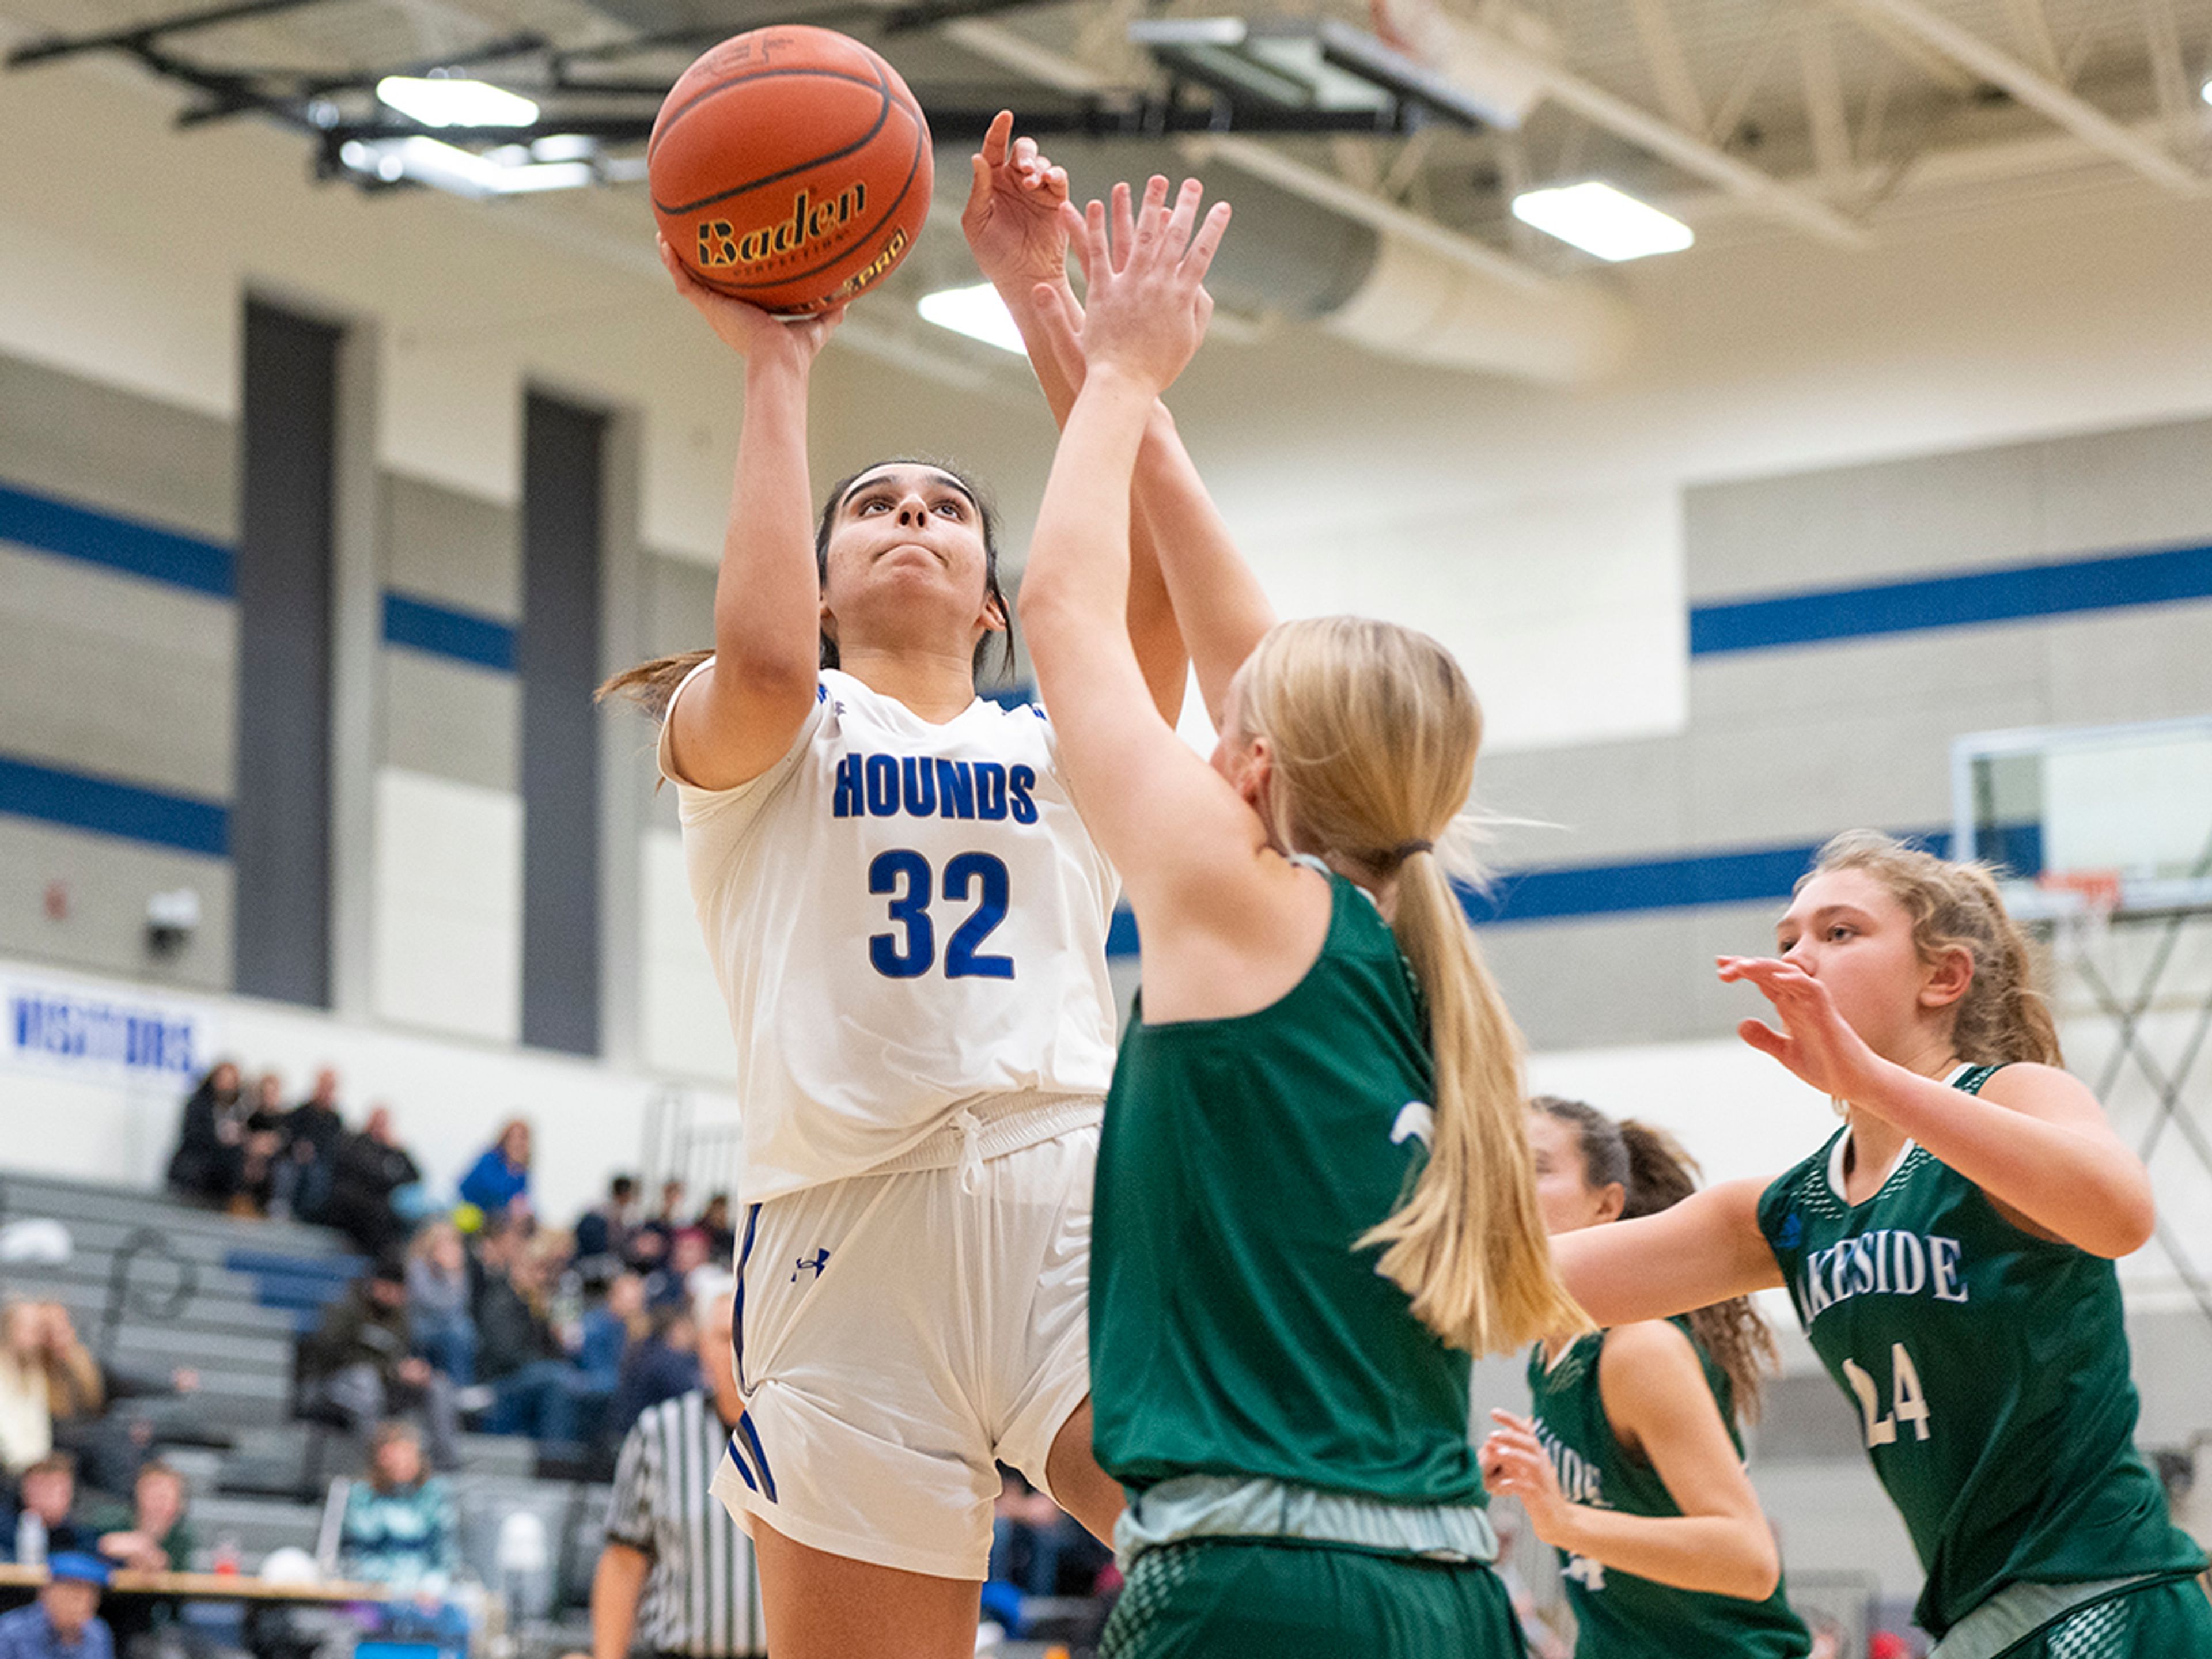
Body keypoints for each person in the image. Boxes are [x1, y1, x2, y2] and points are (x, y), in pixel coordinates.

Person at [593, 111, 1198, 1659]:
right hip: (841, 1239)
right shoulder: (762, 726)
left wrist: (1042, 298)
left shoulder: (1059, 745)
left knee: (1243, 1564)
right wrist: (778, 357)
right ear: (814, 578)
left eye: (946, 510)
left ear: (998, 602)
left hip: (1070, 1189)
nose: (913, 518)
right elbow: (770, 656)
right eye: (874, 508)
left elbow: (1148, 574)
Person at [1016, 175, 1584, 1656]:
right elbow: (1243, 646)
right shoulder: (1400, 934)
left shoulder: (1235, 894)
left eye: (1230, 730)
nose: (1207, 735)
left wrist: (1131, 366)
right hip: (1456, 1596)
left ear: (1259, 767)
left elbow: (1066, 611)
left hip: (1260, 1588)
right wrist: (1060, 321)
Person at [1549, 831, 2212, 1656]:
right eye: (1787, 938)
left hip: (2104, 1597)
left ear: (1944, 977)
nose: (1799, 957)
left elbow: (2121, 1215)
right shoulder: (1793, 1208)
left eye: (1839, 933)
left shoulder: (2014, 1096)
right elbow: (1509, 1284)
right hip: (1984, 1620)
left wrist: (1873, 1081)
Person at [1480, 1099, 1809, 1657]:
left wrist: (1565, 1521)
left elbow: (1747, 1560)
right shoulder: (1551, 1357)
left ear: (1607, 1204)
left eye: (1535, 1168)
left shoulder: (1639, 1347)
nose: (1507, 1185)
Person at [593, 1287, 766, 1659]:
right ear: (702, 1346)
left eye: (751, 1336)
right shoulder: (658, 1433)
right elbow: (624, 1560)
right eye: (725, 1337)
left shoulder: (804, 1437)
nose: (739, 1352)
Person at [297, 1259, 460, 1471]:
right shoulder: (346, 1306)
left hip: (384, 1384)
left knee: (438, 1385)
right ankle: (378, 1468)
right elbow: (330, 1355)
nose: (396, 1297)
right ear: (376, 1284)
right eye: (391, 1289)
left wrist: (411, 1370)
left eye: (401, 1292)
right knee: (364, 1380)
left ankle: (445, 1464)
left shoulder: (401, 1316)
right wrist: (391, 1371)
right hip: (334, 1384)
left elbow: (398, 1355)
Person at [0, 1305, 102, 1476]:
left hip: (33, 1465)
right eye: (30, 1330)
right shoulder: (5, 1370)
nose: (37, 1338)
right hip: (12, 1468)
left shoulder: (33, 1371)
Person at [324, 1106, 423, 1259]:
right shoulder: (355, 1142)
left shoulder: (391, 1150)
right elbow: (368, 1172)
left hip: (378, 1206)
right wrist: (389, 1178)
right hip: (352, 1202)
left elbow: (415, 1176)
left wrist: (400, 1150)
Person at [90, 1459, 196, 1573]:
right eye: (153, 1494)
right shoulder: (113, 1521)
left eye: (165, 1495)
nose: (159, 1503)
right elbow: (94, 1547)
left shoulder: (183, 1539)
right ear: (138, 1495)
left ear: (179, 1504)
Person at [0, 1552, 113, 1659]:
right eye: (72, 1592)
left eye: (91, 1595)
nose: (81, 1604)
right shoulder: (11, 1631)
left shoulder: (97, 1632)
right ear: (45, 1592)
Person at [407, 1222, 478, 1389]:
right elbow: (432, 1304)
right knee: (460, 1332)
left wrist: (455, 1274)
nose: (451, 1249)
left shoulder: (457, 1270)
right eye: (446, 1243)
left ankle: (462, 1389)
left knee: (465, 1329)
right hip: (423, 1329)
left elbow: (463, 1304)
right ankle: (461, 1389)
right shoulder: (417, 1267)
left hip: (449, 1327)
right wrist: (452, 1274)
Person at [164, 1061, 245, 1206]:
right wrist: (220, 1136)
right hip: (198, 1166)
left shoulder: (241, 1109)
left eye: (230, 1082)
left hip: (223, 1175)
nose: (226, 1086)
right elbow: (193, 1136)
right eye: (222, 1080)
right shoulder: (198, 1104)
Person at [4, 1454, 97, 1562]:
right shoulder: (6, 1529)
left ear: (69, 1494)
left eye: (52, 1490)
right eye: (38, 1489)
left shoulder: (83, 1534)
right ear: (24, 1493)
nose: (45, 1498)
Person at [458, 1119, 532, 1221]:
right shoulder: (490, 1159)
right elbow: (489, 1188)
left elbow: (522, 1198)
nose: (517, 1142)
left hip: (499, 1218)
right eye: (513, 1137)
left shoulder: (521, 1172)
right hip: (472, 1211)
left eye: (522, 1138)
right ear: (505, 1139)